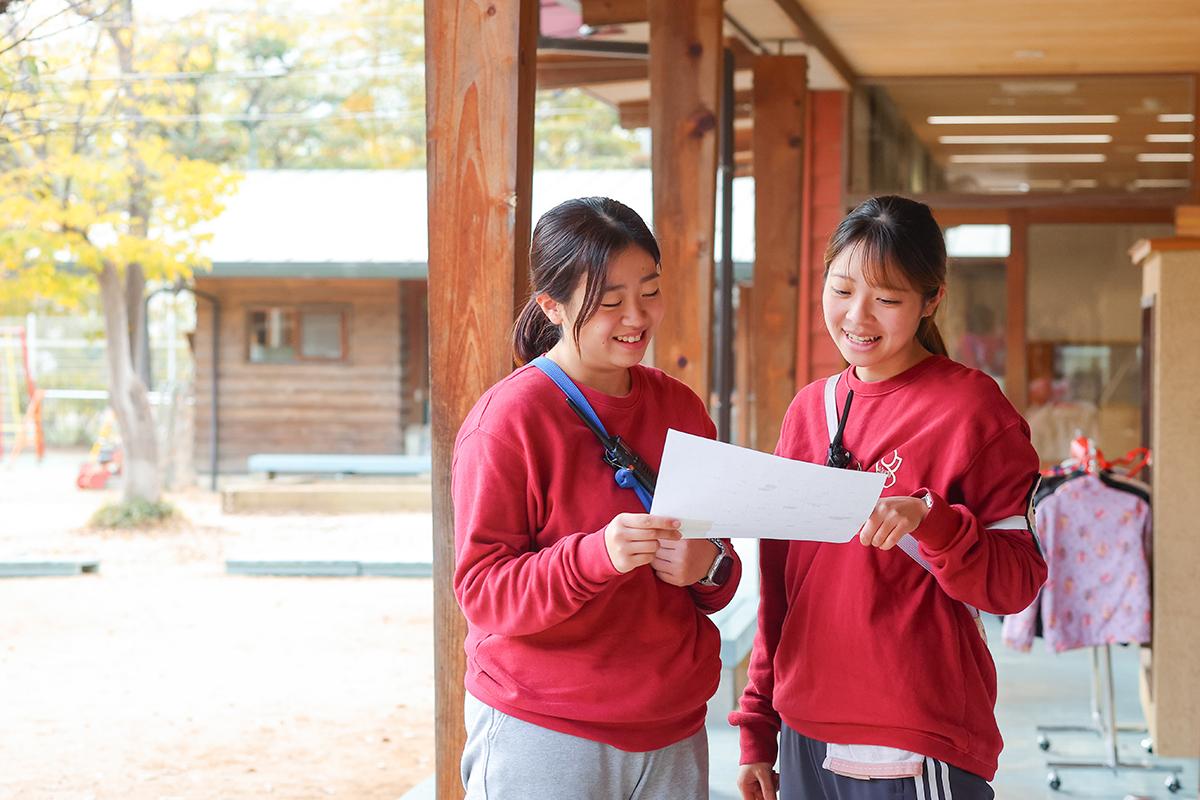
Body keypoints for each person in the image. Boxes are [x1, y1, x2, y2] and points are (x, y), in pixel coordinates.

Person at [731, 196, 1047, 800]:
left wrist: (934, 523)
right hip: (803, 730)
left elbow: (1017, 583)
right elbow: (780, 586)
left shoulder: (973, 410)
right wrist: (758, 726)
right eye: (841, 289)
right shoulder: (808, 410)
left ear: (931, 300)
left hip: (913, 733)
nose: (857, 316)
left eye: (887, 299)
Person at [453, 196, 742, 800]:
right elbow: (482, 592)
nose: (636, 316)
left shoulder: (681, 408)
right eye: (610, 302)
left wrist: (706, 564)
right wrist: (595, 557)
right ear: (551, 306)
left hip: (672, 726)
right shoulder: (507, 421)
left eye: (650, 291)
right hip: (544, 729)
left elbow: (720, 571)